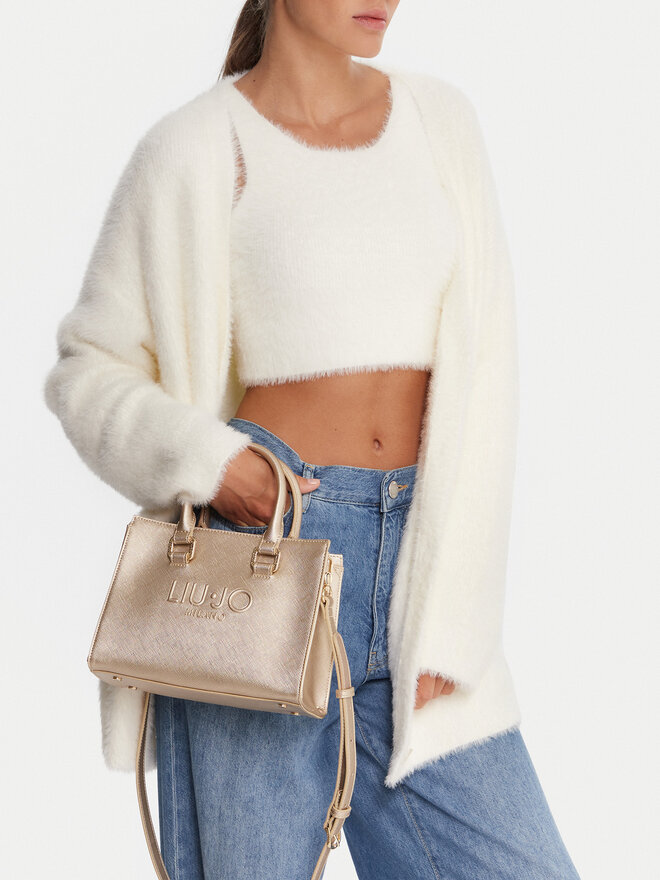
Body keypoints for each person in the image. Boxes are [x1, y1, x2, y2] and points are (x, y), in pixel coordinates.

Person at [43, 1, 582, 877]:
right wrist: (215, 465)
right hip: (267, 555)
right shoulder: (194, 148)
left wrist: (456, 619)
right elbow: (88, 370)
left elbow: (489, 372)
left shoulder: (441, 123)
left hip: (418, 566)